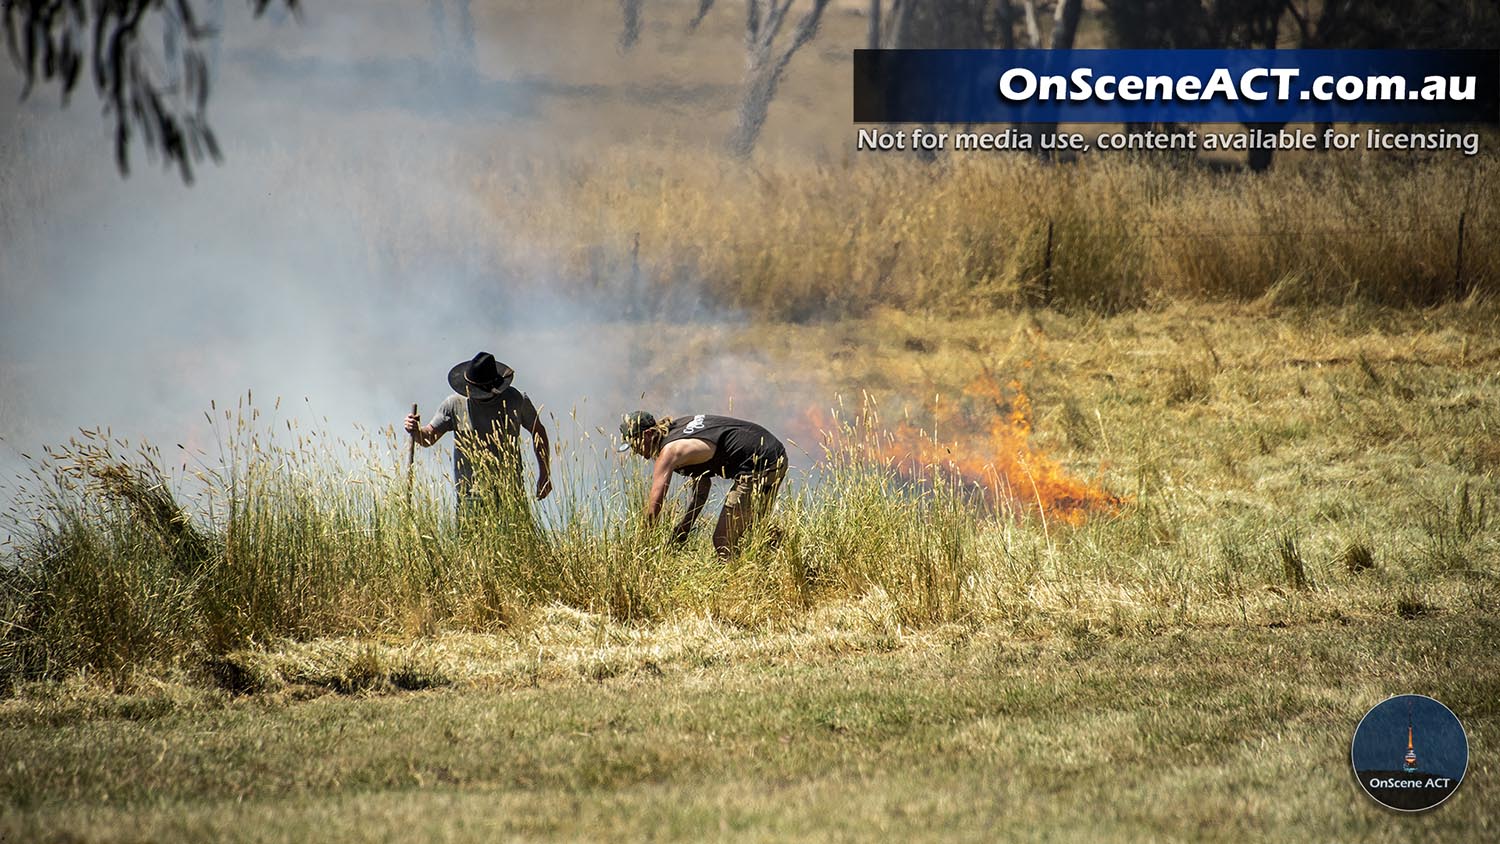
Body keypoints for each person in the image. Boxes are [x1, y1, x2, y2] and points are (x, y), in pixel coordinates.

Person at [617, 410, 786, 556]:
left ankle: (736, 585)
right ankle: (783, 555)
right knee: (753, 530)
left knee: (723, 539)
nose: (635, 451)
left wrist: (640, 547)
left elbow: (654, 508)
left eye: (634, 444)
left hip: (761, 463)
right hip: (773, 453)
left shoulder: (669, 452)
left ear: (647, 435)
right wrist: (684, 528)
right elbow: (702, 488)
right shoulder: (676, 429)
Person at [405, 352, 552, 507]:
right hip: (470, 496)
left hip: (510, 492)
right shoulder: (454, 405)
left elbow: (538, 432)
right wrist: (415, 431)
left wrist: (544, 473)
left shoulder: (515, 400)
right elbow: (428, 438)